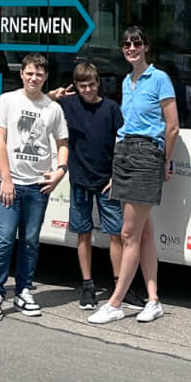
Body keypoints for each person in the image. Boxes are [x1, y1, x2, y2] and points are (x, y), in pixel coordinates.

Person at [88, 27, 178, 326]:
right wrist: (118, 166)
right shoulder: (127, 82)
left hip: (146, 154)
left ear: (146, 46)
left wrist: (165, 160)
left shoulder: (160, 78)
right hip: (125, 153)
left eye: (137, 43)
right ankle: (153, 300)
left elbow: (172, 126)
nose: (131, 48)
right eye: (126, 44)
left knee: (128, 234)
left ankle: (115, 302)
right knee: (144, 233)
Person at [0, 54, 68, 320]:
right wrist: (6, 179)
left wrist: (60, 172)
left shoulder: (53, 108)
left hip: (38, 187)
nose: (34, 78)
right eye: (30, 73)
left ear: (46, 77)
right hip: (9, 184)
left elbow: (63, 144)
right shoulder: (7, 100)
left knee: (30, 242)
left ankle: (23, 291)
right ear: (21, 74)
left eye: (39, 74)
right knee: (4, 240)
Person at [58, 61, 125, 310]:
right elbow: (38, 101)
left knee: (116, 233)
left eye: (92, 84)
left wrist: (117, 175)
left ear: (99, 83)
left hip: (107, 181)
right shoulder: (67, 104)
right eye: (82, 85)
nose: (88, 89)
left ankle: (120, 285)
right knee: (83, 233)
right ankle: (87, 285)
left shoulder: (111, 108)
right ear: (75, 86)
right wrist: (55, 95)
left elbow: (122, 144)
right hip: (79, 181)